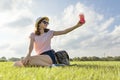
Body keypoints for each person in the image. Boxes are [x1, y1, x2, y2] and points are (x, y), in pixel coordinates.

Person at [14, 16, 85, 67]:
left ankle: (54, 66)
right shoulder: (33, 35)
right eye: (44, 22)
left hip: (49, 55)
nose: (46, 23)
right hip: (40, 56)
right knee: (16, 64)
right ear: (38, 23)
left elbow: (64, 31)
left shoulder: (50, 33)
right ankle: (53, 66)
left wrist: (77, 25)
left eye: (47, 23)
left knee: (28, 61)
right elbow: (31, 46)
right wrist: (28, 55)